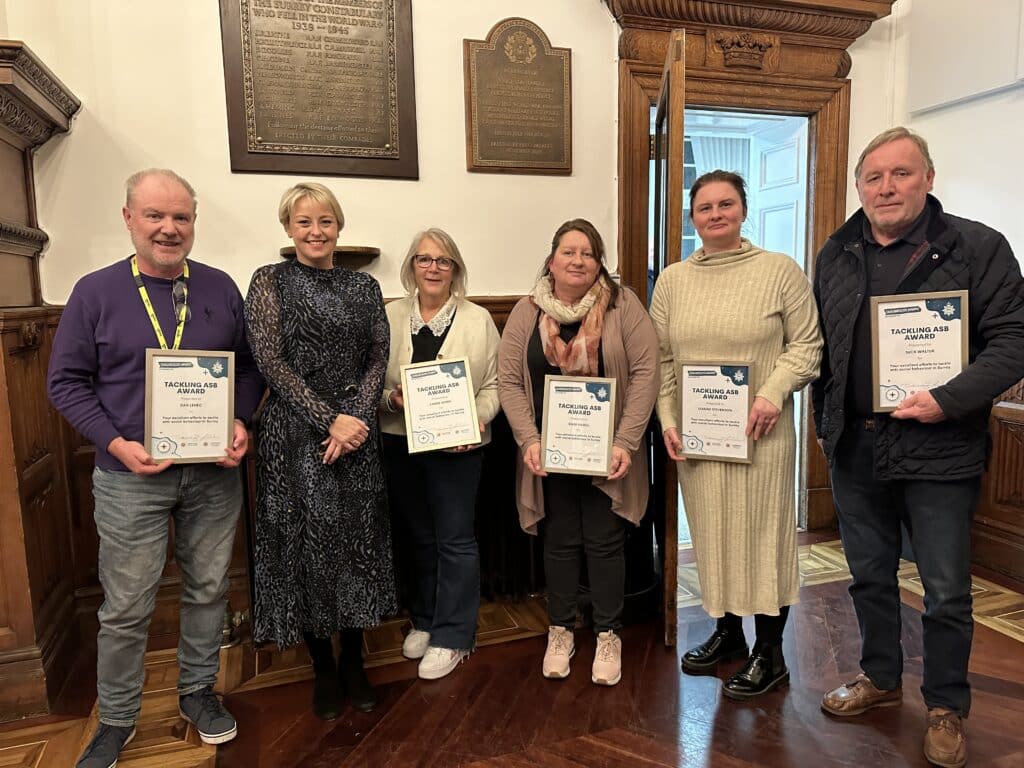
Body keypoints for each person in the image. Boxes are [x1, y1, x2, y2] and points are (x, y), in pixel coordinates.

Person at [812, 127, 1024, 768]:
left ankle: (945, 706)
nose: (886, 187)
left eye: (900, 174)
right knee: (869, 575)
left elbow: (1014, 341)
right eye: (873, 177)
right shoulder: (836, 251)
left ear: (928, 178)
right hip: (855, 448)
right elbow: (821, 344)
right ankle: (879, 677)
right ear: (858, 186)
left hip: (940, 449)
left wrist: (949, 397)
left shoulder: (977, 247)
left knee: (946, 590)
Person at [47, 169, 264, 768]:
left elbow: (248, 370)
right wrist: (114, 444)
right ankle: (115, 720)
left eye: (182, 218)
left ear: (194, 223)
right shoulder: (95, 292)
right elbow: (64, 383)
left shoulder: (220, 288)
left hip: (213, 474)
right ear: (128, 219)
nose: (169, 229)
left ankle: (198, 693)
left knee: (208, 589)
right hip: (129, 478)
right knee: (126, 605)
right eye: (155, 216)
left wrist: (240, 419)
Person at [650, 170, 822, 700]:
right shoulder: (674, 280)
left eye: (726, 204)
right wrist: (670, 420)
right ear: (692, 216)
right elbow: (661, 359)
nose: (716, 214)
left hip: (762, 435)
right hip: (701, 439)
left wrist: (772, 392)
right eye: (705, 207)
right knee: (714, 536)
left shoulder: (780, 271)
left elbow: (808, 346)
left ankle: (769, 653)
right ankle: (728, 635)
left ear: (743, 211)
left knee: (764, 537)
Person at [245, 183, 395, 720]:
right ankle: (322, 667)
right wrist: (328, 418)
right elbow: (269, 361)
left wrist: (353, 417)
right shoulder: (270, 281)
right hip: (295, 435)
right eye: (304, 221)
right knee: (305, 547)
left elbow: (379, 354)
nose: (316, 231)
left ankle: (355, 659)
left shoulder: (364, 286)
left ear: (339, 227)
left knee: (356, 546)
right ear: (288, 228)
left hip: (357, 435)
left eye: (326, 221)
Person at [498, 218, 658, 687]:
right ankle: (561, 630)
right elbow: (509, 379)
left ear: (598, 263)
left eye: (587, 253)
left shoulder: (623, 305)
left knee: (606, 541)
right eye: (568, 251)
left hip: (608, 451)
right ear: (552, 260)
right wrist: (528, 438)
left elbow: (647, 372)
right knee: (560, 540)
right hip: (548, 454)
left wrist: (626, 441)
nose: (577, 260)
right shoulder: (528, 312)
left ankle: (609, 633)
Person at [379, 228, 501, 680]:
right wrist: (390, 400)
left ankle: (453, 635)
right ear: (412, 267)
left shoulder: (478, 319)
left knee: (454, 539)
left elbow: (494, 387)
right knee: (418, 536)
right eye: (424, 260)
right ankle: (426, 620)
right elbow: (374, 381)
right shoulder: (390, 316)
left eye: (443, 261)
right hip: (399, 440)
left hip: (458, 446)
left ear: (456, 270)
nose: (433, 268)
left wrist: (479, 420)